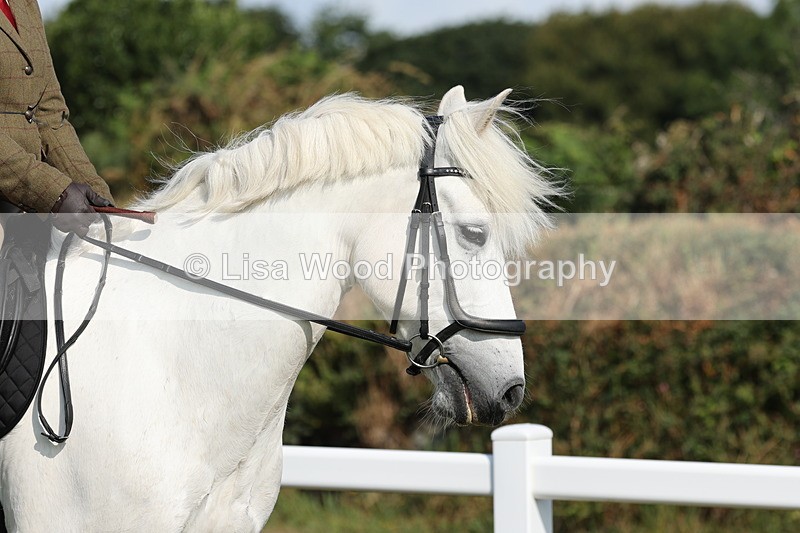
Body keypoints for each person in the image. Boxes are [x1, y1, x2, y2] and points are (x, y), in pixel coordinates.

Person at [0, 0, 113, 241]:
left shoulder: (24, 3)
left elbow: (49, 113)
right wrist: (54, 191)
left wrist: (98, 198)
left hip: (24, 206)